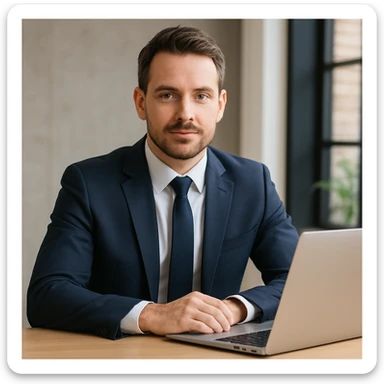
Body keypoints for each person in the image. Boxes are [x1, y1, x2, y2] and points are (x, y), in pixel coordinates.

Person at [26, 25, 299, 340]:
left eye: (201, 96)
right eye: (168, 95)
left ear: (220, 105)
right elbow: (48, 295)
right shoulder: (89, 184)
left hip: (217, 357)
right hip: (119, 357)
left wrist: (235, 308)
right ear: (141, 102)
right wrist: (153, 314)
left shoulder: (254, 183)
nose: (186, 114)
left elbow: (297, 280)